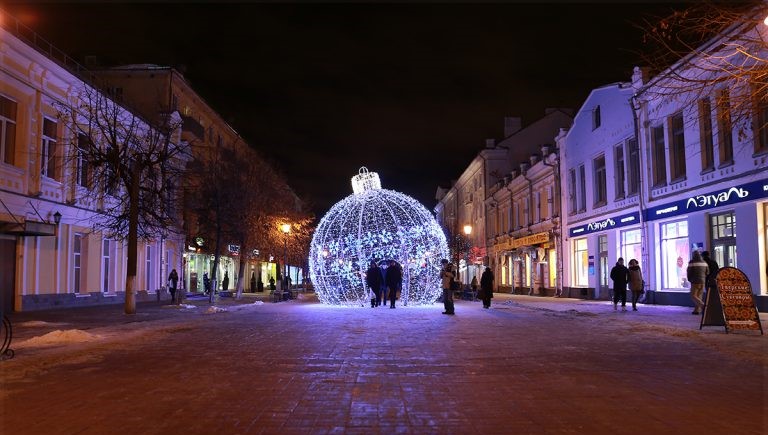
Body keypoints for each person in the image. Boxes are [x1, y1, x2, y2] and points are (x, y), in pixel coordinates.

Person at [686, 251, 709, 315]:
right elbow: (707, 272)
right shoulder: (704, 262)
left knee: (693, 295)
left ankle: (703, 306)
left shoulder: (692, 262)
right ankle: (697, 310)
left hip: (695, 281)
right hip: (703, 281)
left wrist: (689, 279)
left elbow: (689, 272)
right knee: (699, 296)